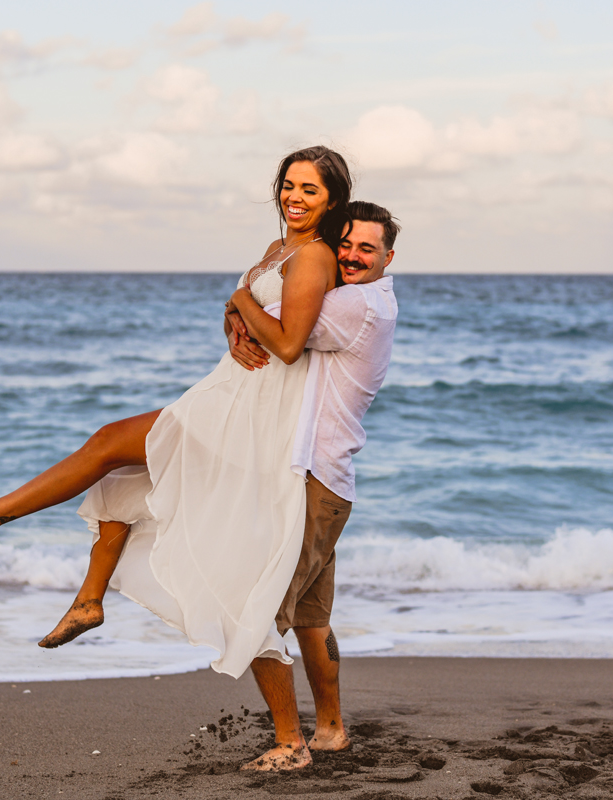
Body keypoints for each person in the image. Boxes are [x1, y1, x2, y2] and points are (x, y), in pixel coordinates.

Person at [0, 145, 351, 678]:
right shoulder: (277, 248)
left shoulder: (313, 256)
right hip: (227, 390)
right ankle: (87, 599)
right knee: (122, 475)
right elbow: (244, 326)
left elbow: (288, 345)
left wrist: (239, 302)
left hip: (253, 413)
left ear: (332, 201)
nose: (294, 197)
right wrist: (234, 317)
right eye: (289, 185)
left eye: (310, 189)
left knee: (108, 445)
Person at [229, 201, 399, 771]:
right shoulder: (371, 299)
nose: (350, 256)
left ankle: (289, 743)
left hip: (313, 480)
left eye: (365, 249)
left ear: (388, 257)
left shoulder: (355, 304)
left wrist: (238, 299)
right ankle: (330, 730)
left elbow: (281, 331)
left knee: (256, 610)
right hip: (328, 482)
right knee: (310, 616)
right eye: (344, 243)